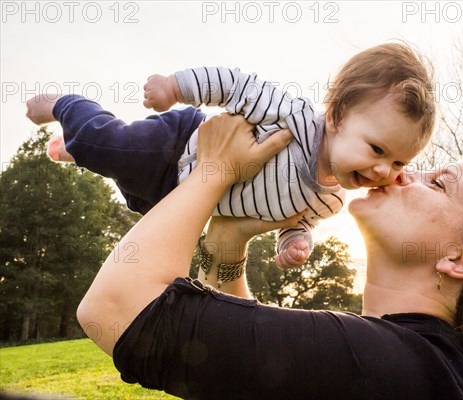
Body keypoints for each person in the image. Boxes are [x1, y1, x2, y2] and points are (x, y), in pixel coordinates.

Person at [70, 113, 463, 399]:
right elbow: (244, 358)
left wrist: (214, 169)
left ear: (462, 260)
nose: (406, 174)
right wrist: (229, 243)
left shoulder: (393, 365)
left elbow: (116, 309)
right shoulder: (420, 367)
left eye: (439, 183)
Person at [26, 42, 436, 272]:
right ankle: (66, 105)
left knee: (126, 186)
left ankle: (77, 150)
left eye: (400, 163)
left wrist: (295, 242)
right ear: (337, 116)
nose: (385, 170)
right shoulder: (291, 117)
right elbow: (236, 84)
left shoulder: (330, 201)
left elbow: (296, 222)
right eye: (377, 149)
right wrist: (175, 86)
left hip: (180, 195)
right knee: (110, 147)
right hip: (178, 145)